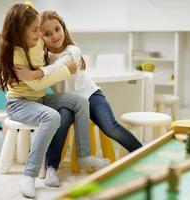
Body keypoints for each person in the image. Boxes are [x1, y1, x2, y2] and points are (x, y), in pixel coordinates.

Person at [16, 10, 143, 187]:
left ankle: (142, 153)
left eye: (57, 29)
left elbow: (60, 67)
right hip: (67, 101)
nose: (54, 36)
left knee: (110, 126)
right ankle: (52, 168)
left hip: (90, 95)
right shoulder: (42, 58)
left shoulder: (72, 51)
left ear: (63, 29)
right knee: (60, 121)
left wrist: (35, 73)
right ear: (40, 36)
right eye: (47, 33)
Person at [0, 3, 108, 198]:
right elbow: (37, 84)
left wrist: (39, 72)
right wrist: (64, 71)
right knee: (52, 117)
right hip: (19, 103)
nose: (38, 35)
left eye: (39, 30)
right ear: (19, 31)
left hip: (38, 99)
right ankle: (29, 176)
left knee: (81, 101)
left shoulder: (36, 42)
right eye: (34, 30)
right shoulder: (15, 55)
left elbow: (51, 67)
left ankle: (84, 156)